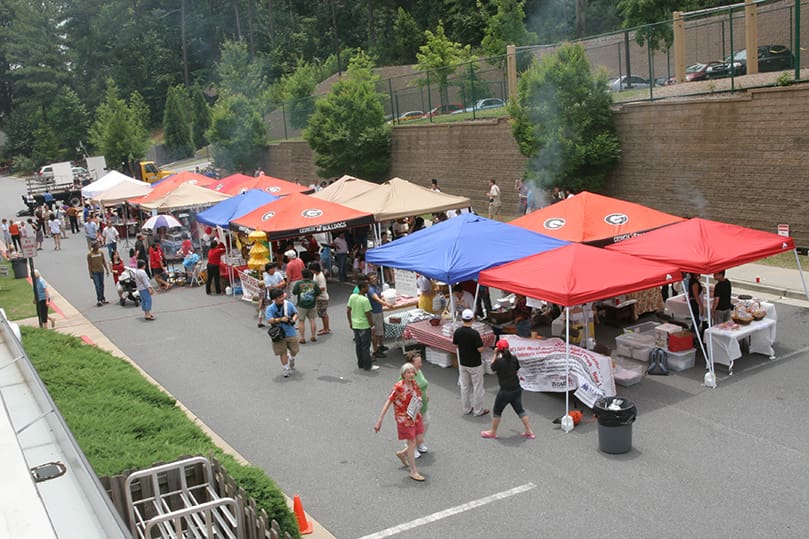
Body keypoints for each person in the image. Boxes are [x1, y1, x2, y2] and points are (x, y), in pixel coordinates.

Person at [373, 362, 426, 482]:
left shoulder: (414, 384)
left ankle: (403, 453)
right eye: (409, 372)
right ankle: (413, 471)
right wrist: (380, 420)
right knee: (412, 443)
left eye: (413, 372)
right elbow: (388, 401)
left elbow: (417, 397)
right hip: (404, 419)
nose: (411, 374)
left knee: (419, 439)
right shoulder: (398, 387)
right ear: (403, 374)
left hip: (415, 415)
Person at [481, 339, 535, 440]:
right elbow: (517, 368)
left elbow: (492, 366)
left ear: (499, 349)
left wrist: (495, 354)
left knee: (497, 411)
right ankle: (529, 431)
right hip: (516, 388)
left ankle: (492, 432)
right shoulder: (514, 359)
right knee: (520, 410)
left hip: (505, 391)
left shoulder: (499, 362)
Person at [452, 309, 488, 416]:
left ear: (462, 319)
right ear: (472, 319)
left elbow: (456, 345)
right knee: (478, 387)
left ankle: (466, 409)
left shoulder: (457, 331)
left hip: (463, 362)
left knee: (465, 386)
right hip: (475, 363)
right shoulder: (474, 333)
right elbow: (480, 349)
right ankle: (478, 410)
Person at [265, 288, 300, 378]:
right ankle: (285, 368)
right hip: (279, 334)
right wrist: (280, 319)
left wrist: (293, 319)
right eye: (279, 297)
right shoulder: (270, 308)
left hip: (290, 332)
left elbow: (296, 313)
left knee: (295, 350)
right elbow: (269, 320)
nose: (282, 298)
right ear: (274, 299)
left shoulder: (288, 305)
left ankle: (291, 357)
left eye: (282, 296)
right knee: (282, 352)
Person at [347, 280, 378, 371]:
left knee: (358, 345)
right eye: (366, 287)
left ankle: (360, 363)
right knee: (365, 346)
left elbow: (348, 310)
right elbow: (368, 314)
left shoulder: (352, 297)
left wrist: (350, 322)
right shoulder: (365, 300)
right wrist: (372, 325)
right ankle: (367, 365)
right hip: (364, 325)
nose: (368, 288)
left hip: (355, 325)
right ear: (363, 288)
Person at [406, 351, 430, 459]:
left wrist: (427, 393)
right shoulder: (407, 375)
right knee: (413, 428)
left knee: (425, 423)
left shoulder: (418, 371)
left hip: (423, 406)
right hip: (413, 408)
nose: (421, 364)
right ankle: (412, 447)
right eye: (418, 362)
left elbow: (424, 383)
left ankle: (419, 442)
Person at [292, 268, 320, 343]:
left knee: (301, 321)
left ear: (302, 275)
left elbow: (294, 292)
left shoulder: (299, 283)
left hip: (301, 305)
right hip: (312, 304)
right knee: (312, 320)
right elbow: (318, 293)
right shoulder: (314, 283)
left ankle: (302, 338)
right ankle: (313, 336)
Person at [366, 272, 390, 358]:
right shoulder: (370, 289)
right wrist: (387, 304)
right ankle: (375, 351)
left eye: (375, 278)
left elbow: (379, 297)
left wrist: (383, 299)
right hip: (374, 313)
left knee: (380, 330)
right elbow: (376, 299)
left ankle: (381, 345)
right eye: (372, 279)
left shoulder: (376, 287)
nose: (374, 279)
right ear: (368, 281)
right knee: (375, 333)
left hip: (379, 311)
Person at [258, 262, 287, 327]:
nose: (274, 270)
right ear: (268, 270)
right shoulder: (267, 278)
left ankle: (282, 321)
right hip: (272, 297)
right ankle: (274, 323)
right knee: (273, 310)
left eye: (274, 268)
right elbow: (270, 288)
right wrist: (280, 285)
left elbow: (284, 282)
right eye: (272, 268)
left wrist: (276, 286)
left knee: (282, 308)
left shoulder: (277, 274)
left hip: (280, 294)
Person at [310, 262, 331, 335]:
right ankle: (326, 327)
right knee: (322, 313)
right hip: (319, 297)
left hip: (322, 297)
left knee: (323, 313)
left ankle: (326, 328)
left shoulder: (320, 277)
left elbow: (322, 287)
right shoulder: (316, 275)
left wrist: (313, 290)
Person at [87, 242, 110, 306]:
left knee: (102, 285)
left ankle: (102, 298)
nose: (98, 246)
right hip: (95, 272)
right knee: (97, 285)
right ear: (94, 246)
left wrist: (107, 270)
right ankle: (99, 299)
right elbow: (89, 265)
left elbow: (104, 261)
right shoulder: (90, 255)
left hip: (101, 271)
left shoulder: (101, 253)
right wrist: (90, 274)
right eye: (97, 245)